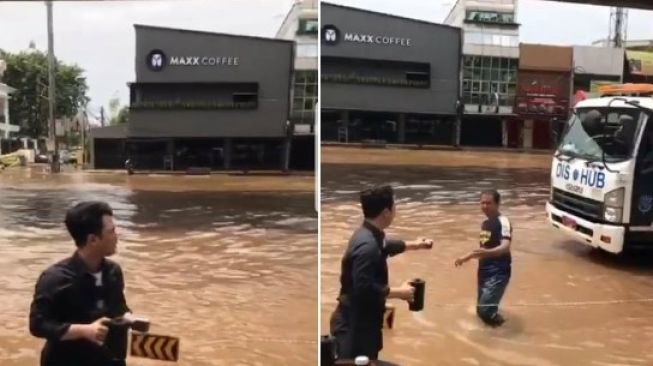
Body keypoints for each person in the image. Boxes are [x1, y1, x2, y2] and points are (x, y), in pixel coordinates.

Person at [330, 185, 434, 360]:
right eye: (394, 206)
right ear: (386, 211)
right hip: (355, 329)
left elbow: (386, 246)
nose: (395, 210)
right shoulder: (368, 247)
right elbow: (363, 288)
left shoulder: (369, 234)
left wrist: (416, 244)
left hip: (362, 321)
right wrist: (400, 292)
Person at [29, 201, 132, 366]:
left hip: (108, 360)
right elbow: (38, 325)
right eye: (111, 231)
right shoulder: (55, 278)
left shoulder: (113, 272)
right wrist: (84, 331)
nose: (117, 236)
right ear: (93, 239)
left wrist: (129, 318)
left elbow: (118, 307)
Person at [455, 190, 512, 327]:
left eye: (489, 203)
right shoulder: (485, 223)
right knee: (480, 310)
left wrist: (486, 253)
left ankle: (503, 332)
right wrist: (465, 258)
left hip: (499, 271)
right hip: (484, 270)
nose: (485, 206)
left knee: (485, 310)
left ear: (498, 204)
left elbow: (505, 247)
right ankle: (492, 335)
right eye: (482, 203)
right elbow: (482, 249)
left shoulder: (503, 221)